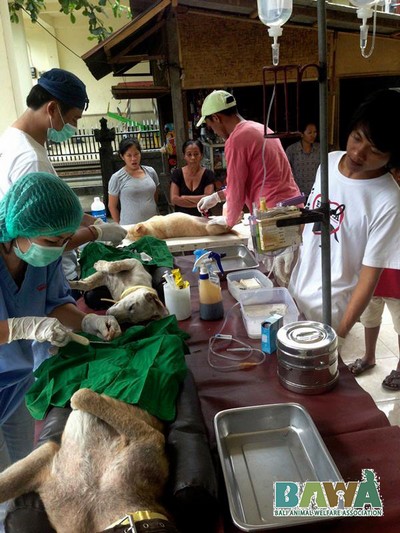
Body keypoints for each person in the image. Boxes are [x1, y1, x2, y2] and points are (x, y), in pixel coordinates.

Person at [0, 173, 121, 525]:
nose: (58, 247)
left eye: (65, 240)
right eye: (52, 239)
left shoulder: (44, 255)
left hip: (15, 384)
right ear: (19, 228)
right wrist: (26, 326)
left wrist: (85, 322)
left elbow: (55, 303)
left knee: (24, 472)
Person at [288, 89, 400, 345]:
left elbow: (369, 278)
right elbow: (311, 225)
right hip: (295, 292)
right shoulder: (328, 162)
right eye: (357, 138)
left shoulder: (388, 200)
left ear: (392, 157)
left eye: (375, 150)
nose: (358, 153)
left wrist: (340, 331)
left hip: (331, 310)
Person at [0, 68, 127, 289]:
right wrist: (95, 232)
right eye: (74, 118)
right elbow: (45, 238)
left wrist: (91, 221)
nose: (75, 127)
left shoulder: (12, 139)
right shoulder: (30, 160)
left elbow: (53, 209)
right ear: (51, 108)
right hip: (36, 272)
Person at [196, 90, 301, 228]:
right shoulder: (261, 128)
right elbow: (254, 179)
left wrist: (229, 220)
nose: (214, 131)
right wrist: (218, 196)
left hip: (272, 215)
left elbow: (237, 185)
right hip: (292, 207)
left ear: (216, 118)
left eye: (211, 127)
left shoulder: (236, 139)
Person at [348, 169, 400, 388]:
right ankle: (369, 357)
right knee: (370, 318)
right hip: (371, 277)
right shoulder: (371, 197)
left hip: (397, 279)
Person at [108, 137, 159, 225]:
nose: (133, 159)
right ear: (122, 156)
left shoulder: (150, 172)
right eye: (129, 155)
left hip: (153, 224)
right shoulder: (117, 177)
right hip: (130, 227)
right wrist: (120, 226)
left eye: (136, 154)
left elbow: (155, 196)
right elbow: (112, 206)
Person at [170, 139, 216, 216]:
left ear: (201, 155)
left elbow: (208, 198)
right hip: (182, 219)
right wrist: (200, 203)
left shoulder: (208, 174)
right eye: (189, 154)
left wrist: (184, 197)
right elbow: (174, 199)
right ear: (184, 156)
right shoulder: (177, 174)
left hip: (203, 219)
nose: (193, 158)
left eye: (196, 154)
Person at [285, 121, 320, 196]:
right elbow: (286, 171)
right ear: (301, 134)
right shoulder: (292, 150)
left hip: (316, 191)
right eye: (309, 133)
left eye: (315, 132)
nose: (313, 135)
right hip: (298, 192)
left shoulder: (320, 149)